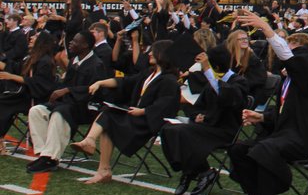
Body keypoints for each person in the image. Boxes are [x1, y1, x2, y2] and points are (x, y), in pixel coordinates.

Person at [227, 10, 308, 195]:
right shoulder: (285, 83)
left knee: (265, 149)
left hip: (300, 138)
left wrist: (268, 30)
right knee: (238, 150)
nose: (284, 54)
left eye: (292, 50)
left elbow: (289, 56)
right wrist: (261, 117)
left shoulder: (306, 77)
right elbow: (281, 113)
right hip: (281, 134)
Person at [69, 39, 180, 185]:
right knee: (108, 113)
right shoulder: (148, 73)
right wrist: (100, 83)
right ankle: (101, 165)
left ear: (163, 54)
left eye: (154, 51)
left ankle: (99, 160)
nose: (150, 53)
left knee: (108, 118)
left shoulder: (169, 80)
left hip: (147, 122)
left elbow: (166, 104)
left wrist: (143, 111)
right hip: (134, 116)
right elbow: (125, 82)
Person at [160, 44, 248, 195]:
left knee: (183, 133)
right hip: (206, 127)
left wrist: (207, 69)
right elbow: (198, 106)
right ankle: (200, 170)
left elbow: (227, 98)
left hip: (224, 130)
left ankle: (194, 171)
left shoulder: (238, 82)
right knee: (168, 129)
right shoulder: (211, 84)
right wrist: (197, 115)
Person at [26, 32, 108, 173]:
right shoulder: (74, 61)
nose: (70, 43)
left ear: (85, 45)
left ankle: (50, 157)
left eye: (75, 41)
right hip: (67, 103)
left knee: (60, 114)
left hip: (85, 107)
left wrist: (67, 90)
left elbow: (94, 91)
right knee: (37, 111)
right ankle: (44, 154)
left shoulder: (96, 64)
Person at [0, 31, 57, 140]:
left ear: (41, 41)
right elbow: (17, 68)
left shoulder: (45, 61)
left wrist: (11, 76)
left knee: (3, 103)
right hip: (23, 94)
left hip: (34, 97)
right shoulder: (31, 57)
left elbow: (38, 83)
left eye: (35, 37)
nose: (31, 38)